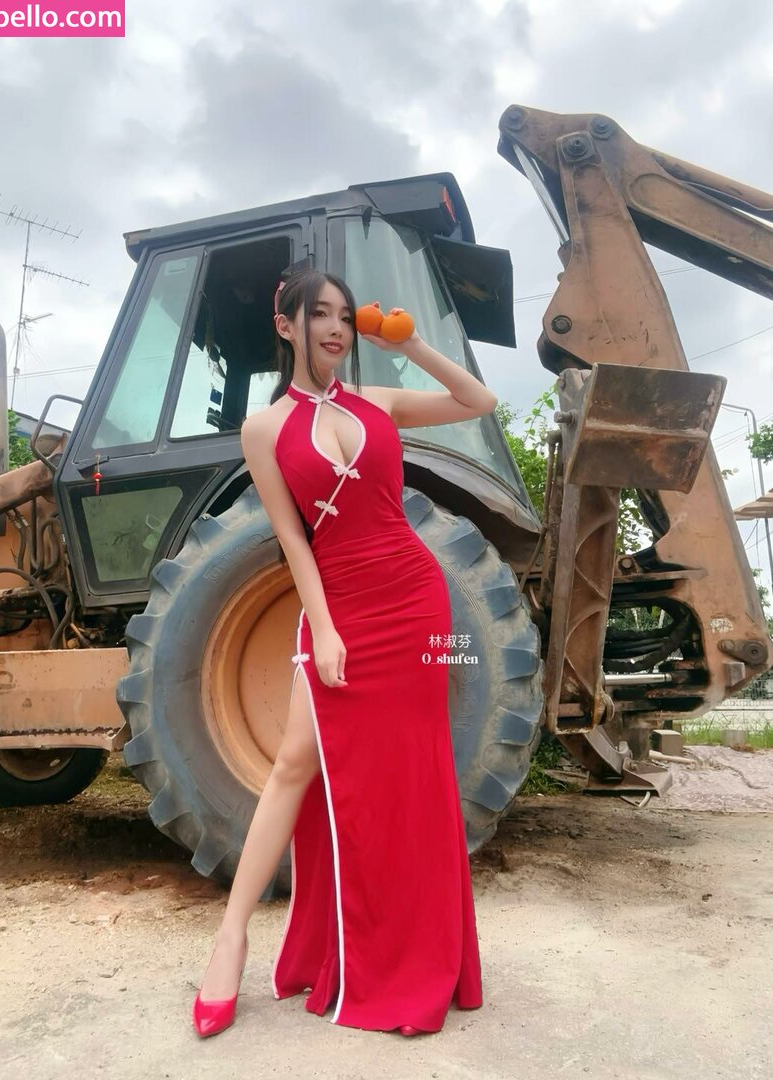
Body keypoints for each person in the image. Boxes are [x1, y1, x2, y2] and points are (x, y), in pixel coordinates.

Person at [193, 267, 497, 1039]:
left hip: (415, 599)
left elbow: (478, 401)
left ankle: (409, 951)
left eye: (343, 315)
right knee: (297, 761)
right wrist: (323, 628)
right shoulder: (263, 430)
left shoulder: (379, 401)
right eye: (319, 314)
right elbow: (292, 539)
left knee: (414, 773)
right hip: (341, 603)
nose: (335, 328)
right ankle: (230, 939)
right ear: (286, 324)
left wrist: (411, 344)